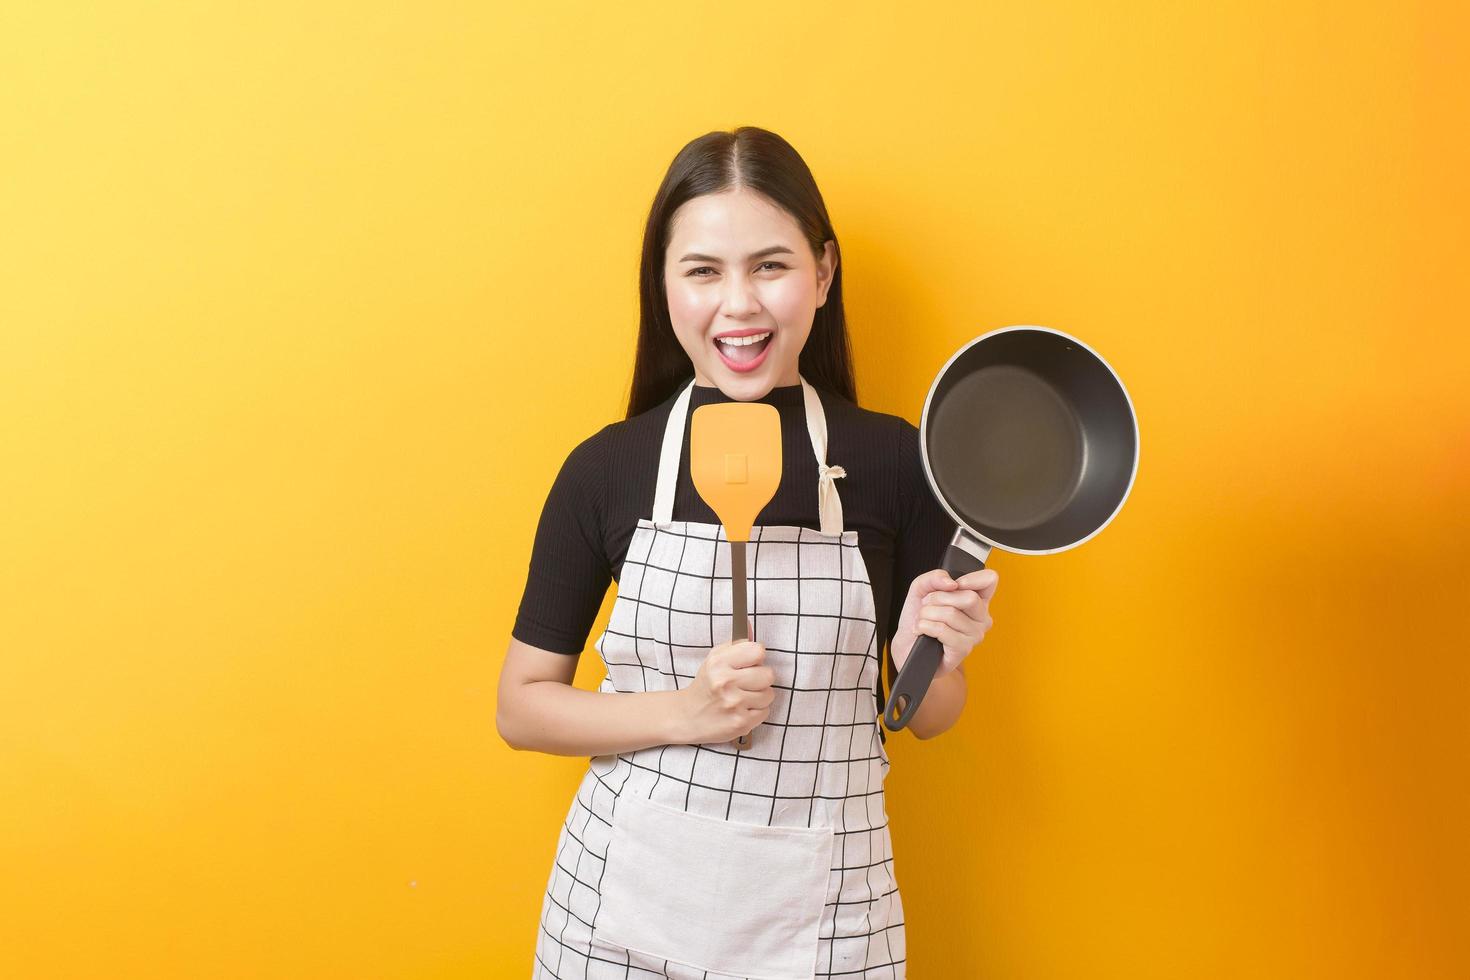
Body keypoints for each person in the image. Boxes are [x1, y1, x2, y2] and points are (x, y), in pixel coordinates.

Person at [499, 126, 999, 980]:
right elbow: (522, 706)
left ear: (824, 272)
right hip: (615, 918)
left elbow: (931, 714)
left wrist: (936, 653)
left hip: (831, 917)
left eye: (770, 265)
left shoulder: (893, 463)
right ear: (664, 286)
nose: (739, 305)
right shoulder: (607, 469)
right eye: (702, 270)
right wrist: (683, 713)